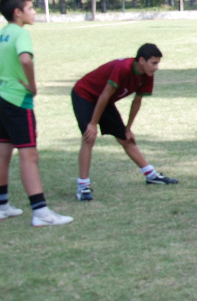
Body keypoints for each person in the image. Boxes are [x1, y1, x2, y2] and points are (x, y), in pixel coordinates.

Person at [0, 0, 72, 226]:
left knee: (3, 151)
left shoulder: (0, 35)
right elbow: (25, 59)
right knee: (29, 155)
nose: (34, 12)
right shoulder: (20, 33)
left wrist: (0, 76)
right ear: (18, 12)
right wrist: (32, 85)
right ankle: (41, 213)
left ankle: (2, 206)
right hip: (17, 100)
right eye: (30, 8)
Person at [70, 43, 178, 201]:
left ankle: (151, 175)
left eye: (158, 63)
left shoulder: (147, 76)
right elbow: (105, 94)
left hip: (103, 100)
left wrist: (128, 128)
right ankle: (83, 187)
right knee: (89, 137)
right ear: (141, 60)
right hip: (85, 95)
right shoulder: (123, 68)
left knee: (126, 139)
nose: (156, 67)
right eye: (153, 63)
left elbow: (137, 102)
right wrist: (93, 123)